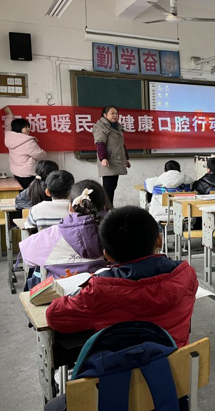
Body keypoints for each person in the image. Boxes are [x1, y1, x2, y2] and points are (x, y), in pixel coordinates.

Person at [46, 206, 198, 347]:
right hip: (173, 362)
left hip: (120, 366)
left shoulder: (97, 291)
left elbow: (54, 316)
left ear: (107, 255)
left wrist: (77, 291)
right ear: (159, 240)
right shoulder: (186, 274)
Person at [20, 180, 108, 278]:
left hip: (62, 287)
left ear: (70, 207)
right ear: (104, 205)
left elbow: (28, 258)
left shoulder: (51, 235)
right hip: (106, 286)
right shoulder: (116, 231)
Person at [93, 105, 131, 205]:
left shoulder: (117, 127)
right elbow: (100, 143)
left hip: (116, 160)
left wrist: (126, 159)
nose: (115, 115)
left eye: (116, 113)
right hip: (108, 161)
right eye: (112, 113)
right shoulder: (101, 127)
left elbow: (121, 145)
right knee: (108, 188)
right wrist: (103, 158)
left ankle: (109, 208)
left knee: (112, 187)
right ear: (105, 115)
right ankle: (106, 209)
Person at [3, 106, 47, 189]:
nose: (28, 129)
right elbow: (41, 156)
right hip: (28, 173)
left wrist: (9, 115)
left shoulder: (9, 136)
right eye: (26, 127)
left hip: (16, 172)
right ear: (19, 127)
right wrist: (44, 153)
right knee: (32, 193)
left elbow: (8, 126)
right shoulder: (28, 142)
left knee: (22, 192)